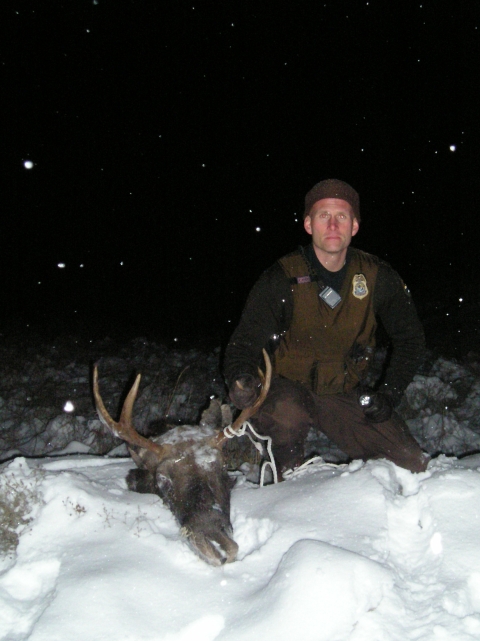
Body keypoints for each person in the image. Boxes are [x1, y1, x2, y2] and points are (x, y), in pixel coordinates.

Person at [223, 178, 428, 476]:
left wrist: (389, 394)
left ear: (354, 226)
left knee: (411, 464)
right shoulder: (280, 278)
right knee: (287, 419)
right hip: (284, 388)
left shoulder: (378, 277)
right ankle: (282, 475)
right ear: (308, 225)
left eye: (341, 216)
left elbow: (411, 340)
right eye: (323, 216)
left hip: (341, 391)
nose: (333, 225)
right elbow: (244, 344)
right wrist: (241, 378)